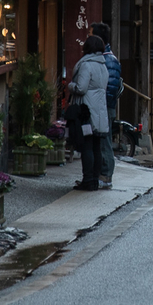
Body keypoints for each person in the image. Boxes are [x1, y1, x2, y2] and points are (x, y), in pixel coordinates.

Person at [67, 35, 109, 191]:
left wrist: (71, 86)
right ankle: (95, 180)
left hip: (86, 111)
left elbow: (81, 88)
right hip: (100, 110)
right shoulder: (103, 65)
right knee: (96, 146)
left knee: (87, 146)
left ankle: (88, 180)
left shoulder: (86, 65)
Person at [90, 22, 123, 189]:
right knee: (101, 141)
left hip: (105, 107)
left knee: (105, 142)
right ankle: (101, 174)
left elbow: (109, 88)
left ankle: (106, 175)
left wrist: (101, 104)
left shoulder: (108, 60)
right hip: (103, 106)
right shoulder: (106, 58)